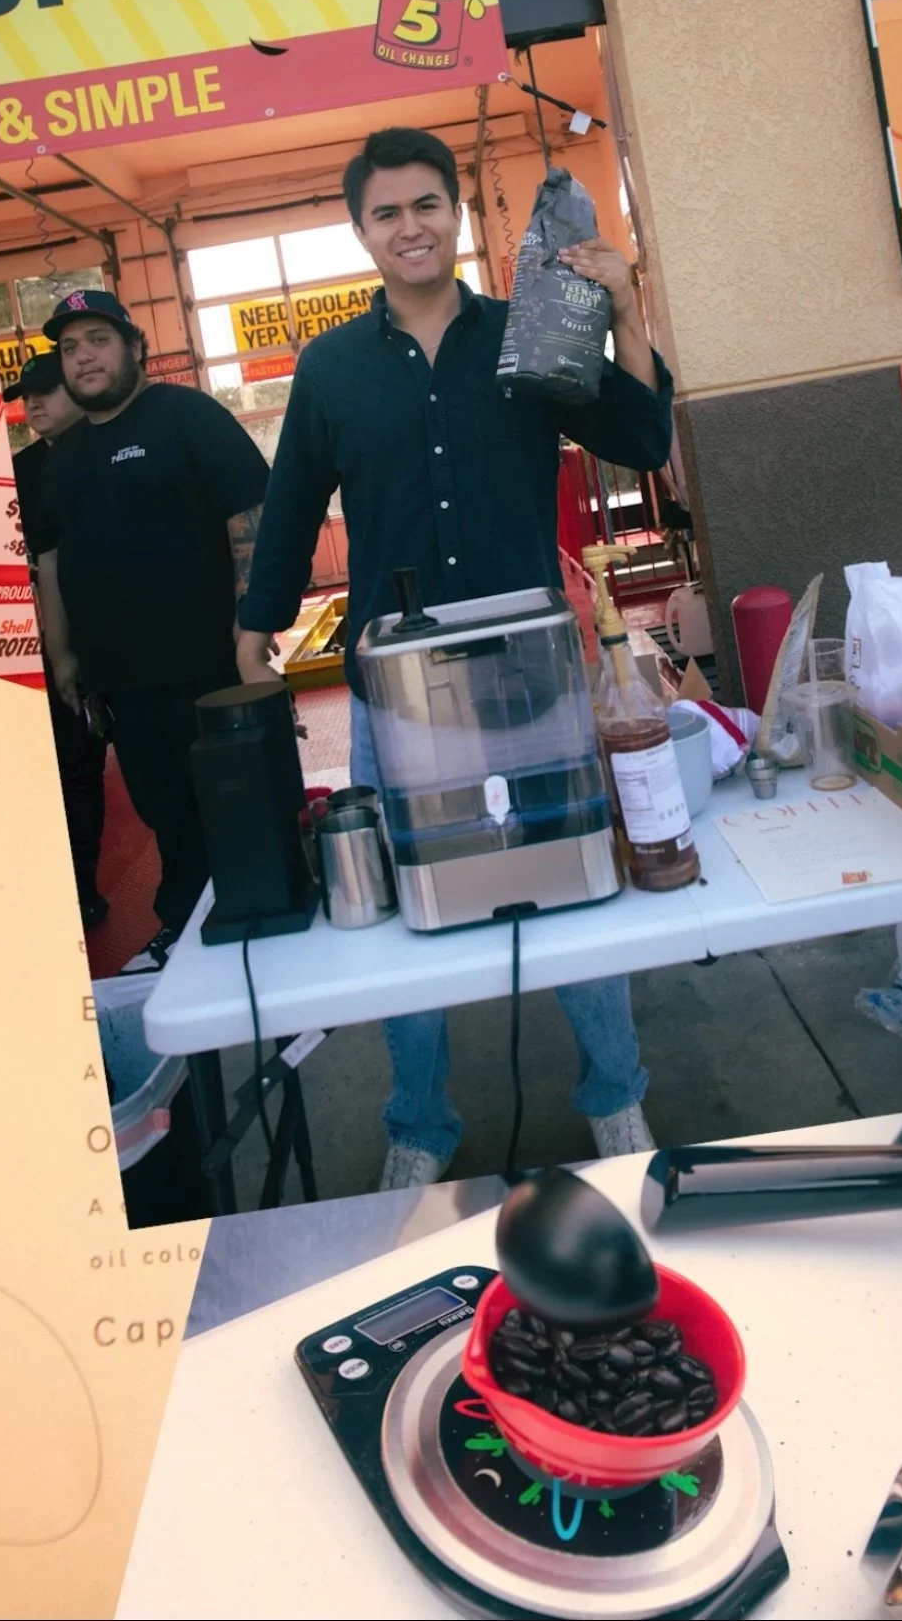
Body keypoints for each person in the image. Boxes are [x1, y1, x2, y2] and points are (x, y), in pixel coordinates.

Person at [237, 127, 675, 1189]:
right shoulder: (332, 366)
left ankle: (617, 1098)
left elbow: (645, 437)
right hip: (397, 678)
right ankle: (419, 1123)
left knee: (577, 884)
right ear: (362, 231)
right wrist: (256, 627)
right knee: (402, 909)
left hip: (532, 663)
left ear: (456, 215)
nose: (410, 225)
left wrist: (623, 309)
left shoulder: (528, 330)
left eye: (426, 203)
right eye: (386, 212)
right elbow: (293, 504)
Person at [31, 290, 271, 976]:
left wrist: (251, 624)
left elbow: (250, 515)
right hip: (121, 682)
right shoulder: (65, 456)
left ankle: (261, 926)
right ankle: (187, 930)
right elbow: (51, 556)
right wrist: (64, 651)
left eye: (97, 341)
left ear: (133, 348)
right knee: (166, 812)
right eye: (70, 348)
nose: (84, 358)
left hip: (208, 669)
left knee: (238, 805)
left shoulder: (185, 416)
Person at [6, 350, 109, 931]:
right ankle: (66, 890)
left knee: (102, 764)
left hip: (117, 634)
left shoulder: (112, 451)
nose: (34, 405)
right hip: (40, 643)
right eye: (26, 397)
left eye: (46, 391)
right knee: (60, 767)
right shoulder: (16, 472)